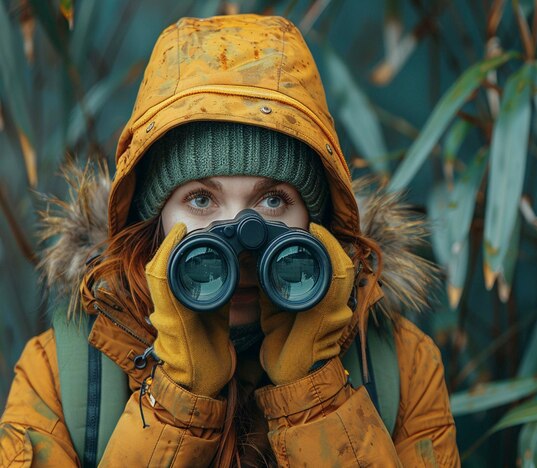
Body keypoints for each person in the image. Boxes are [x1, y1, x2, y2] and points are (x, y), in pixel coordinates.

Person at [0, 14, 459, 466]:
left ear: (317, 223)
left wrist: (316, 393)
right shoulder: (61, 376)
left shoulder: (400, 365)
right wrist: (177, 399)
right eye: (201, 200)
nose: (241, 244)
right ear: (154, 222)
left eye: (274, 201)